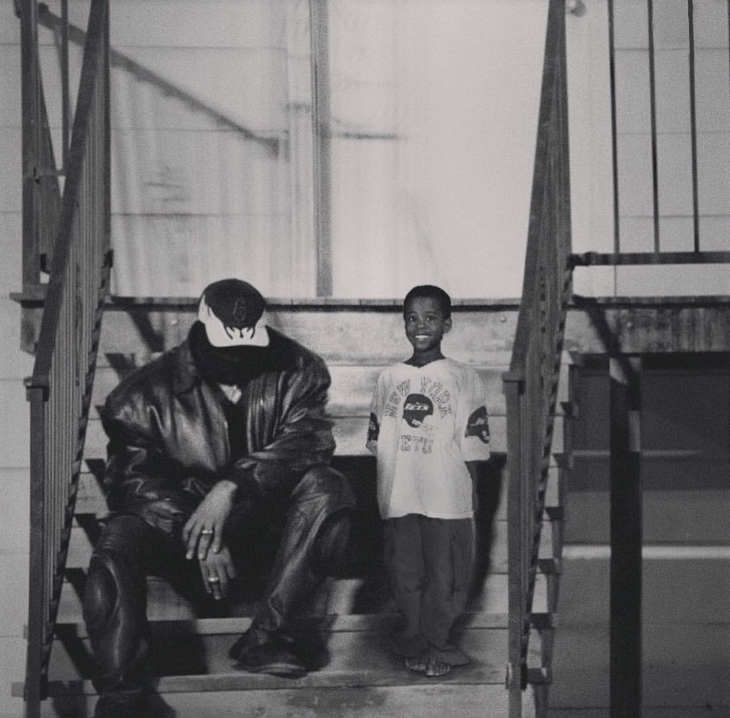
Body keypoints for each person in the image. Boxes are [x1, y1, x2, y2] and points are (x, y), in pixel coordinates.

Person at [83, 278, 355, 718]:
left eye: (247, 347)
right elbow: (132, 484)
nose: (237, 359)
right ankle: (122, 690)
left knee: (330, 488)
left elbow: (309, 441)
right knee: (116, 541)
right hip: (180, 534)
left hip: (263, 525)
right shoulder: (137, 397)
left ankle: (269, 637)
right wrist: (203, 533)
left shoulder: (300, 369)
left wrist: (231, 489)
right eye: (225, 346)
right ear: (201, 323)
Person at [366, 284, 491, 678]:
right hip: (400, 494)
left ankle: (438, 640)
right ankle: (415, 638)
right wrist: (385, 492)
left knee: (447, 574)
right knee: (405, 573)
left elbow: (473, 445)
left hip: (446, 495)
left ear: (447, 324)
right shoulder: (388, 378)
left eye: (431, 318)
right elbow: (379, 442)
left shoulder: (463, 377)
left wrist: (472, 496)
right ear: (404, 323)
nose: (421, 326)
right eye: (412, 318)